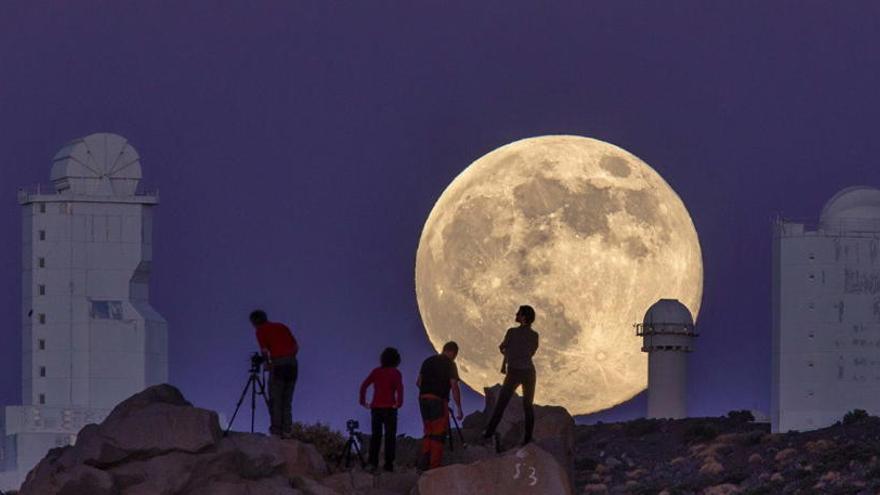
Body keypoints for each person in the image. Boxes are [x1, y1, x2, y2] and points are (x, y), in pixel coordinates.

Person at [482, 305, 539, 446]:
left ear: (524, 317)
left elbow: (503, 347)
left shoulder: (512, 332)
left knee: (501, 404)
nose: (516, 314)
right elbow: (531, 352)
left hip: (514, 371)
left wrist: (507, 357)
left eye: (519, 313)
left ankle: (488, 433)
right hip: (529, 372)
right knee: (527, 405)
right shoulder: (534, 335)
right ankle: (527, 439)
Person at [250, 309, 299, 438]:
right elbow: (296, 346)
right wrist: (288, 356)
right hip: (293, 364)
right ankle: (287, 430)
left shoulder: (261, 330)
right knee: (287, 399)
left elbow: (265, 351)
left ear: (254, 322)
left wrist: (268, 363)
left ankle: (276, 431)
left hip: (279, 365)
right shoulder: (281, 326)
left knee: (276, 398)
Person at [417, 341, 464, 471]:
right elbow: (454, 386)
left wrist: (427, 389)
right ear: (453, 353)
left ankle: (423, 464)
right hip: (438, 400)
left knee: (428, 431)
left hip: (423, 399)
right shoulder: (450, 364)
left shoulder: (428, 361)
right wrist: (459, 407)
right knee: (438, 433)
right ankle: (434, 468)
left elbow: (418, 382)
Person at [359, 347, 404, 472]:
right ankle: (388, 465)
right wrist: (398, 404)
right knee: (390, 436)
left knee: (376, 436)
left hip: (376, 408)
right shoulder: (395, 373)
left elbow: (364, 386)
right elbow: (400, 389)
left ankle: (373, 463)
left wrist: (363, 402)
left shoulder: (376, 372)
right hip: (390, 408)